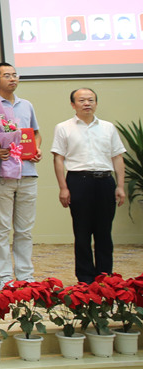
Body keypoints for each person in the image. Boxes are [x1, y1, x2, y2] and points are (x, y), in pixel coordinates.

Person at [0, 64, 41, 290]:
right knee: (2, 229)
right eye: (7, 76)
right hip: (1, 174)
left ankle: (26, 275)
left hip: (28, 173)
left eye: (14, 75)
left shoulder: (27, 105)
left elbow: (36, 134)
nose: (12, 79)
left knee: (25, 230)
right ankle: (4, 277)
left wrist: (36, 149)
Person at [51, 88, 127, 283]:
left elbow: (117, 157)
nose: (87, 103)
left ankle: (105, 277)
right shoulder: (63, 127)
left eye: (91, 100)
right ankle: (85, 279)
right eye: (82, 100)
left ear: (96, 103)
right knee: (82, 232)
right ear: (73, 104)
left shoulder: (108, 127)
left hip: (105, 181)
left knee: (104, 232)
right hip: (78, 181)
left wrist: (120, 186)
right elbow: (58, 159)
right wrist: (63, 187)